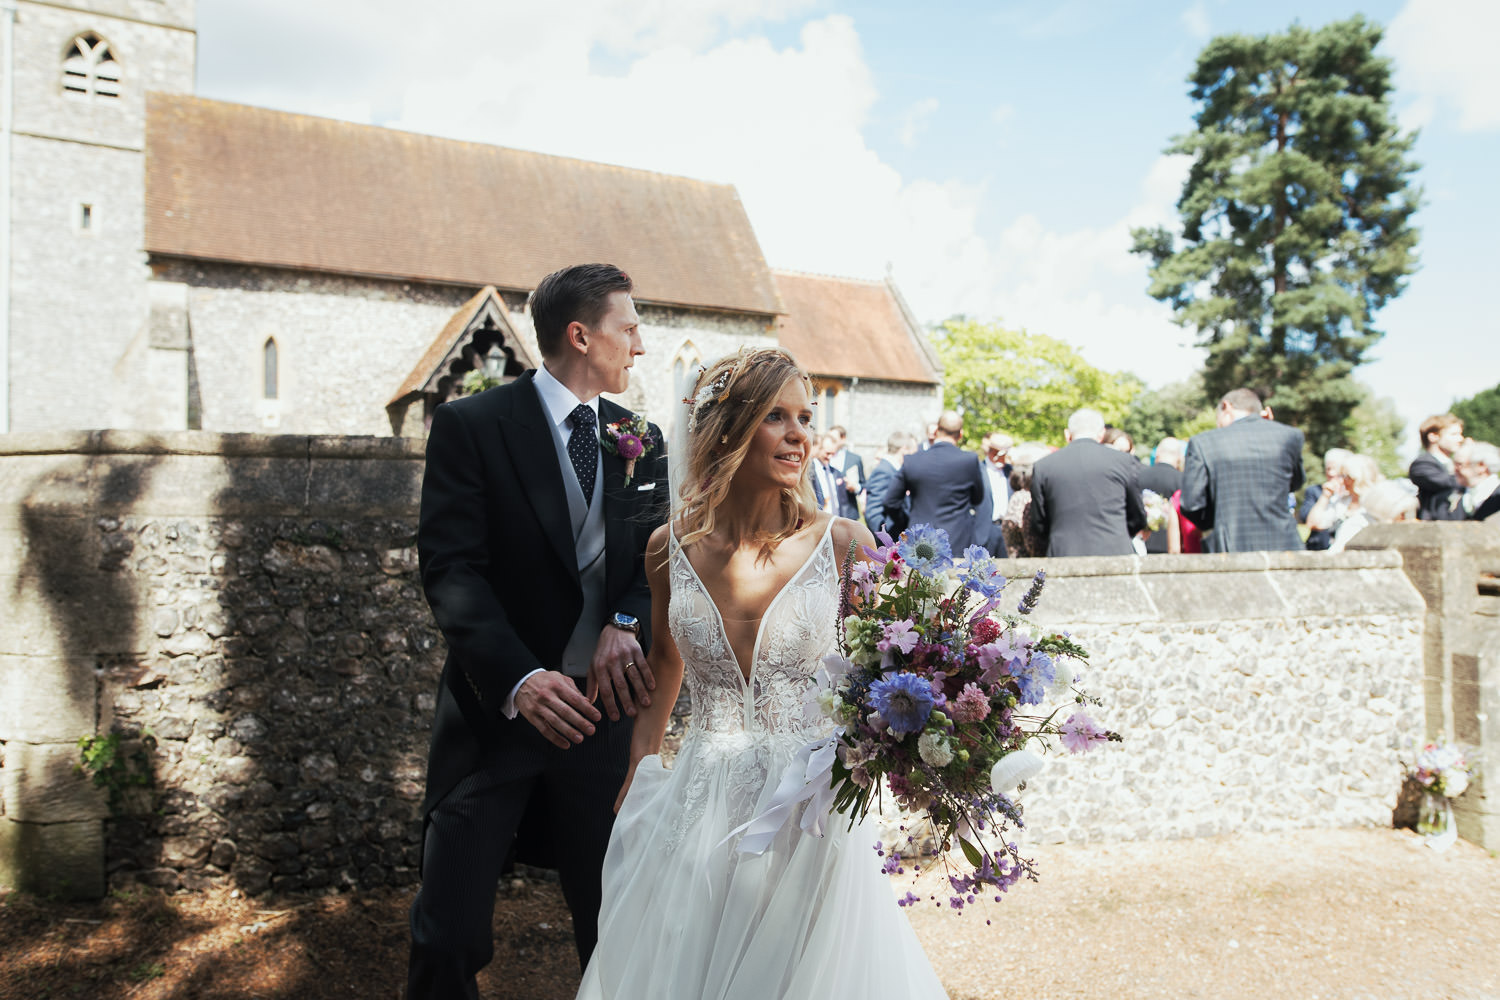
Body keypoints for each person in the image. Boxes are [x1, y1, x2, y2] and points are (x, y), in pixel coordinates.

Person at [575, 348, 949, 999]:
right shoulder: (668, 549)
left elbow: (909, 660)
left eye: (804, 416)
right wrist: (639, 763)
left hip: (811, 801)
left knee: (800, 970)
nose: (800, 433)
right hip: (699, 792)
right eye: (776, 416)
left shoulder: (843, 543)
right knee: (691, 958)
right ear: (728, 429)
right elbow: (665, 660)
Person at [406, 264, 669, 998]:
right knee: (449, 934)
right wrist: (521, 680)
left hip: (602, 719)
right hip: (494, 724)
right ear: (580, 335)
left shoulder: (641, 440)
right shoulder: (473, 425)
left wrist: (625, 620)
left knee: (614, 926)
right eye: (630, 329)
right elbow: (452, 569)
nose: (640, 347)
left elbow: (655, 557)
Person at [1179, 388, 1305, 552]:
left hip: (1229, 544)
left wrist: (1217, 521)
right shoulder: (1289, 436)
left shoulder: (1204, 443)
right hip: (1284, 544)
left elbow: (1191, 504)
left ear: (1226, 407)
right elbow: (1295, 483)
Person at [1029, 408, 1148, 558]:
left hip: (1064, 553)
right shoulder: (1124, 462)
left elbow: (1038, 522)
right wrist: (1118, 533)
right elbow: (1138, 515)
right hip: (1115, 552)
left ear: (1067, 434)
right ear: (1101, 434)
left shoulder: (1044, 466)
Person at [881, 410, 987, 552]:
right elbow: (977, 498)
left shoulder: (912, 460)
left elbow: (890, 501)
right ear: (960, 434)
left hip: (919, 539)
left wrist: (907, 520)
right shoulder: (969, 460)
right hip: (957, 539)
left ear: (937, 430)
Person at [1305, 453, 1382, 552]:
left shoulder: (1376, 503)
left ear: (1356, 477)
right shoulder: (1341, 501)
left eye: (1344, 476)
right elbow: (1314, 524)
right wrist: (1325, 496)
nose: (1340, 480)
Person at [1409, 414, 1466, 521]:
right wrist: (1469, 473)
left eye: (1460, 434)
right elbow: (1445, 482)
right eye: (1454, 434)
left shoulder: (1455, 464)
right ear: (1433, 436)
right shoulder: (1421, 465)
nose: (1460, 439)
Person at [1298, 448, 1353, 551]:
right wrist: (1325, 496)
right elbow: (1311, 523)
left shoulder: (1354, 496)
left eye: (1335, 469)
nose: (1331, 473)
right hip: (1318, 549)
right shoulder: (1315, 491)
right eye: (1328, 469)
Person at [863, 431, 914, 536]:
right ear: (904, 449)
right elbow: (873, 513)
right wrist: (887, 540)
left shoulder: (893, 470)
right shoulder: (884, 471)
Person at [1139, 437, 1184, 555]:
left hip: (1142, 543)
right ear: (1179, 457)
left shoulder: (1139, 475)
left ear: (1158, 453)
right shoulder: (1182, 480)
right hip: (1172, 545)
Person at [1454, 440, 1500, 521]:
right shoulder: (1454, 493)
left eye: (1460, 464)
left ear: (1481, 466)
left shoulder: (1497, 496)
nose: (1455, 469)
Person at [828, 424, 866, 519]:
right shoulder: (825, 457)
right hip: (828, 512)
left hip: (849, 512)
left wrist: (855, 487)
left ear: (843, 438)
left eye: (833, 439)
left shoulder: (855, 459)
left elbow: (864, 485)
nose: (830, 441)